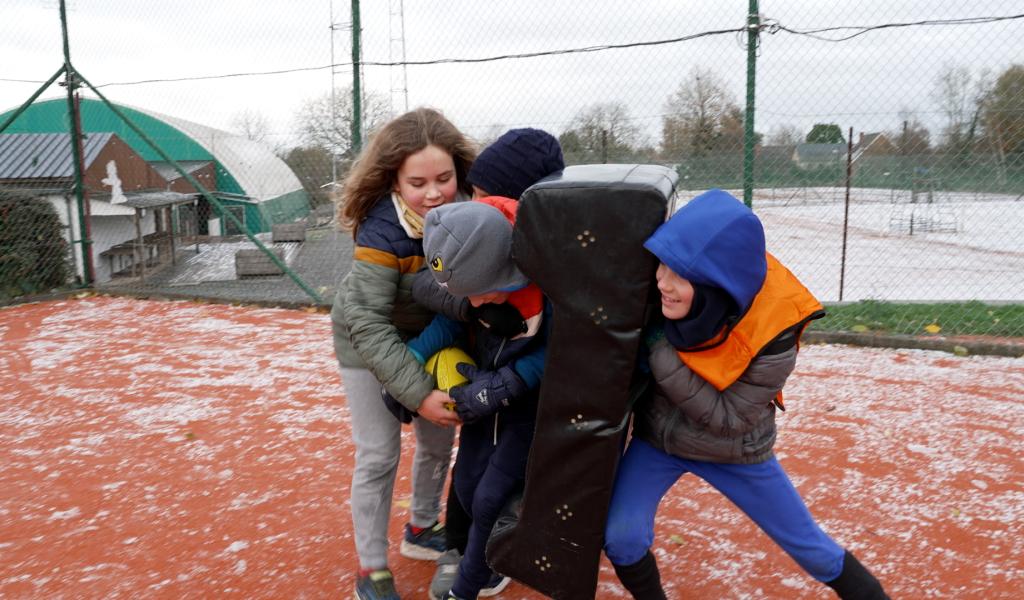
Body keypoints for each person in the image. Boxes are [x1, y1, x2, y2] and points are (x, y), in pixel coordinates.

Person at [603, 189, 889, 600]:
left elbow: (729, 418)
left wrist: (658, 350)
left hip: (733, 450)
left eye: (677, 273)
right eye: (661, 266)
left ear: (716, 281)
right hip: (661, 439)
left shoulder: (775, 333)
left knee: (814, 552)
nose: (661, 281)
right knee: (622, 538)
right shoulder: (669, 293)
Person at [405, 128, 565, 600]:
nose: (471, 200)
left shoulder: (550, 270)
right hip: (484, 393)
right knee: (472, 478)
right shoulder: (475, 243)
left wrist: (511, 381)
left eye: (482, 192)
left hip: (529, 407)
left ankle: (480, 567)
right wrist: (408, 368)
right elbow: (438, 299)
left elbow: (567, 346)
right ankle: (465, 550)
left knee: (499, 490)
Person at [330, 107, 476, 600]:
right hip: (366, 339)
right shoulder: (380, 231)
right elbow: (368, 322)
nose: (434, 193)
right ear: (393, 179)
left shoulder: (471, 211)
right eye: (418, 182)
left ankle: (420, 529)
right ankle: (371, 570)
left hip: (434, 332)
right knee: (378, 453)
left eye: (444, 178)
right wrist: (416, 394)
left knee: (439, 441)